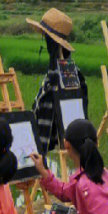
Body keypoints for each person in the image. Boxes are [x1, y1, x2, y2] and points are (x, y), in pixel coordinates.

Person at [27, 8, 88, 153]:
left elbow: (43, 109)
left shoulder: (60, 74)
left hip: (49, 138)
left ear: (51, 42)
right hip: (61, 137)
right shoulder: (70, 71)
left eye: (46, 38)